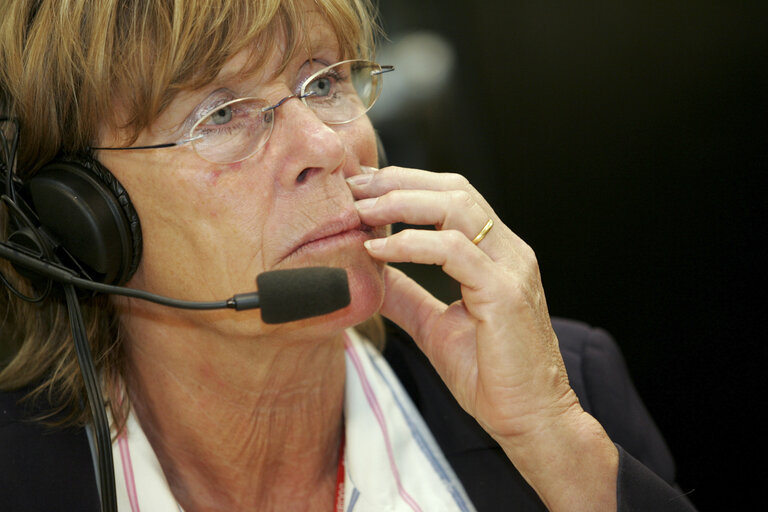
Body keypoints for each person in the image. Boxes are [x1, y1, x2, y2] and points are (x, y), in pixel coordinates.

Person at [0, 0, 696, 510]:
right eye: (220, 115)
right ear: (83, 215)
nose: (329, 149)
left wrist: (553, 439)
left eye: (325, 82)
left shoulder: (566, 392)